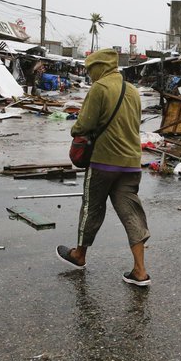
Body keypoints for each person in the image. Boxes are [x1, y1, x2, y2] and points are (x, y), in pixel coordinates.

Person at [56, 48, 151, 286]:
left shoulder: (100, 88)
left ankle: (79, 255)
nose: (89, 74)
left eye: (91, 69)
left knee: (92, 208)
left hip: (103, 161)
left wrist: (75, 130)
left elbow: (84, 125)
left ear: (100, 67)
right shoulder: (132, 90)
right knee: (131, 213)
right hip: (131, 163)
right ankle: (140, 271)